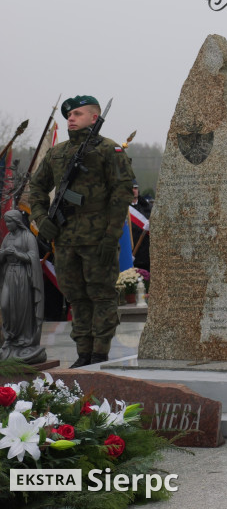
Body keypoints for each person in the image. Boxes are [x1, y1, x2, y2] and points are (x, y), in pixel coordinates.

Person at [27, 95, 134, 368]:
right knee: (76, 297)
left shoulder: (109, 150)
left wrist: (111, 237)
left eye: (77, 114)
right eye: (68, 115)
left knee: (101, 295)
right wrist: (41, 218)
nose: (70, 119)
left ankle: (100, 353)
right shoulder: (57, 152)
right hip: (65, 240)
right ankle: (83, 353)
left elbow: (121, 195)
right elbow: (37, 188)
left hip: (99, 239)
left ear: (94, 118)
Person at [0, 209, 46, 363]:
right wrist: (4, 253)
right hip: (9, 275)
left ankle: (24, 340)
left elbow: (33, 257)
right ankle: (9, 338)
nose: (7, 225)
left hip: (23, 276)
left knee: (21, 308)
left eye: (9, 222)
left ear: (17, 221)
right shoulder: (7, 237)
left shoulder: (28, 237)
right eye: (6, 222)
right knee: (5, 306)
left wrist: (18, 254)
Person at [129, 179, 152, 272]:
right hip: (131, 253)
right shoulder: (123, 209)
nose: (134, 190)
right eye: (131, 188)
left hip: (147, 254)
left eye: (135, 188)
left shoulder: (148, 207)